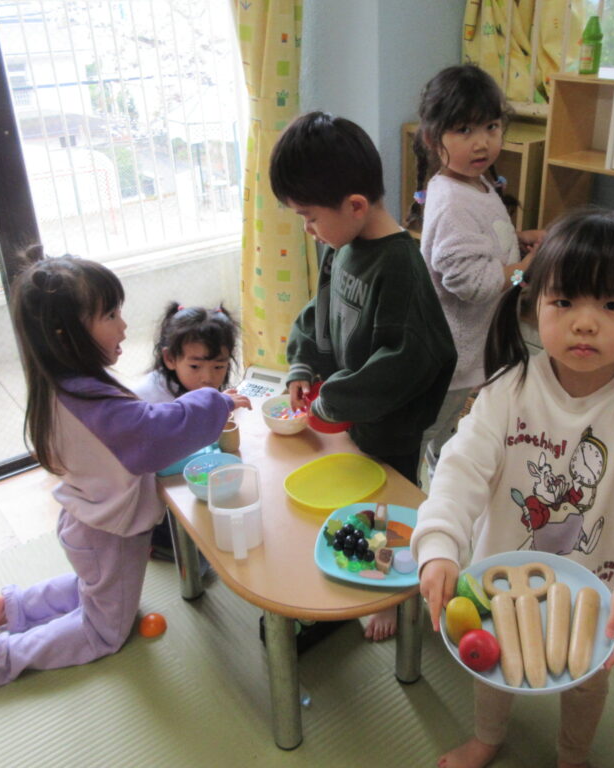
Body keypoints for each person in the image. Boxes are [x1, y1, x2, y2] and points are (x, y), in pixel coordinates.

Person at [411, 207, 614, 768]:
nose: (585, 323)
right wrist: (440, 541)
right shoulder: (507, 389)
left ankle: (573, 755)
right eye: (564, 301)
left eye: (612, 304)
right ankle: (488, 738)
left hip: (599, 586)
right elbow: (459, 469)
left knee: (587, 682)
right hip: (503, 577)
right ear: (534, 302)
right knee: (492, 663)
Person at [0, 253, 250, 690]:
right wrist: (217, 402)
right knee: (103, 630)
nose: (124, 326)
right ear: (67, 334)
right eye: (111, 315)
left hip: (87, 519)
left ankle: (12, 608)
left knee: (97, 583)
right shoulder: (94, 401)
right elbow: (153, 436)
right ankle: (0, 655)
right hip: (110, 529)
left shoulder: (61, 383)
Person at [270, 111, 457, 641]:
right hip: (350, 414)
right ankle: (363, 564)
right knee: (352, 498)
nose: (308, 229)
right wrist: (304, 363)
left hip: (388, 425)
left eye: (309, 217)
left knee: (387, 508)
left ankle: (390, 595)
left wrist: (335, 400)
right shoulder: (341, 246)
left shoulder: (399, 267)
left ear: (355, 205)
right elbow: (319, 310)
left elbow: (409, 361)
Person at [407, 64, 546, 483]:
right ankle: (416, 487)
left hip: (470, 348)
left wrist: (516, 239)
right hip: (453, 357)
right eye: (464, 130)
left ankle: (441, 467)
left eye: (491, 126)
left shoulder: (476, 184)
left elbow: (481, 241)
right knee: (429, 430)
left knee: (449, 427)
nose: (482, 142)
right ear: (433, 139)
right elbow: (476, 284)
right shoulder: (453, 201)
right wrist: (525, 270)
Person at [131, 303, 241, 561]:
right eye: (195, 367)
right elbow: (159, 457)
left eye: (219, 367)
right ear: (170, 359)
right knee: (203, 547)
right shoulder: (149, 398)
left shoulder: (194, 385)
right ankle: (158, 545)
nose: (207, 378)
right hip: (144, 502)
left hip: (177, 476)